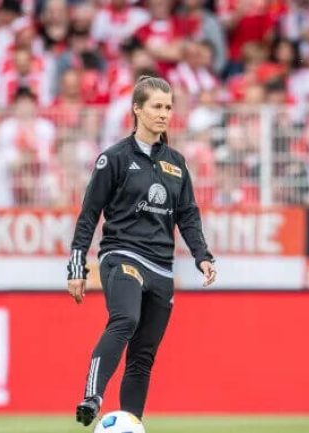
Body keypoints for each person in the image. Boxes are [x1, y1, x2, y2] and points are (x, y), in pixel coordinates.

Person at [68, 76, 216, 426]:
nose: (164, 114)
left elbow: (187, 215)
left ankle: (130, 424)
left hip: (162, 268)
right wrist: (76, 268)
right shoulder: (114, 159)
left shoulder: (177, 163)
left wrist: (203, 256)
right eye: (156, 107)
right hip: (122, 255)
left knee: (143, 356)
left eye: (168, 107)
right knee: (126, 319)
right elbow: (89, 214)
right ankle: (92, 396)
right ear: (137, 109)